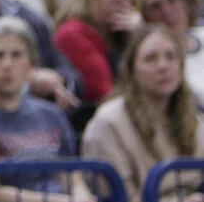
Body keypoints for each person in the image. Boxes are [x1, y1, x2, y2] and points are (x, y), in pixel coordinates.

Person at [81, 24, 204, 202]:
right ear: (132, 70)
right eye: (150, 59)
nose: (163, 66)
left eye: (171, 57)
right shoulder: (108, 122)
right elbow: (117, 196)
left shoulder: (194, 118)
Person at [0, 16, 95, 200]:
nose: (7, 65)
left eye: (17, 55)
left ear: (32, 64)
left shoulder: (51, 113)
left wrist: (82, 196)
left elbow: (71, 173)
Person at [53, 0, 141, 103]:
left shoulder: (123, 34)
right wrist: (139, 43)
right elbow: (108, 97)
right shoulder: (73, 33)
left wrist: (140, 36)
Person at [139, 0, 204, 107]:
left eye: (172, 0)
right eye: (156, 6)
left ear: (186, 1)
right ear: (145, 16)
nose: (167, 11)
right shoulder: (155, 62)